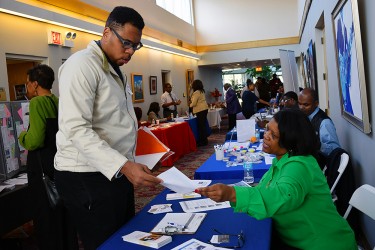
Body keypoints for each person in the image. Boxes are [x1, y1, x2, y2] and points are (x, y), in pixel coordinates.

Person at [55, 6, 162, 250]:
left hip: (114, 170)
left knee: (125, 235)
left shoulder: (115, 69)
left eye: (136, 45)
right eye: (126, 42)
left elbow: (115, 121)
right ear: (106, 32)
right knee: (106, 242)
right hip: (86, 175)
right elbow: (76, 128)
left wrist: (129, 162)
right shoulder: (81, 65)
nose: (130, 51)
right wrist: (125, 165)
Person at [196, 109, 356, 250]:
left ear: (290, 141)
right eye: (267, 130)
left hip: (321, 244)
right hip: (297, 239)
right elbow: (265, 189)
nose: (265, 136)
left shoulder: (298, 166)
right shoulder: (282, 160)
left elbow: (281, 195)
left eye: (273, 135)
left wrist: (233, 194)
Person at [18, 64, 78, 250]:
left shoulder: (37, 103)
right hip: (60, 161)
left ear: (35, 84)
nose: (26, 87)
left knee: (45, 212)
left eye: (27, 83)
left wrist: (22, 137)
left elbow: (35, 140)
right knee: (61, 208)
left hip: (41, 165)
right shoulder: (58, 101)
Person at [298, 88, 340, 165]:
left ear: (316, 103)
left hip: (320, 167)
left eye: (306, 105)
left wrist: (317, 144)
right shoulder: (304, 116)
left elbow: (335, 150)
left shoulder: (324, 122)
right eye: (299, 104)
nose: (301, 107)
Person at [189, 79, 209, 146]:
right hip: (204, 109)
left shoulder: (196, 92)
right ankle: (204, 140)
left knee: (201, 126)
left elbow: (194, 103)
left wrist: (189, 105)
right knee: (203, 125)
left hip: (200, 110)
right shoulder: (202, 91)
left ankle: (202, 141)